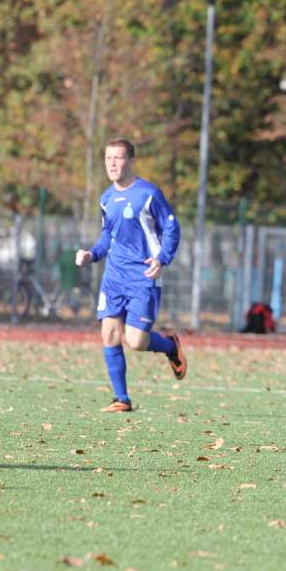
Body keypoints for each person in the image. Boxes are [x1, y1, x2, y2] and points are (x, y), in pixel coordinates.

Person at [76, 138, 188, 412]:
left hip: (143, 276)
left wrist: (162, 259)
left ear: (131, 160)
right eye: (108, 158)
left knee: (136, 341)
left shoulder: (148, 194)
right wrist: (92, 254)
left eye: (118, 158)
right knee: (110, 334)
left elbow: (172, 228)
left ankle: (170, 347)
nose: (112, 164)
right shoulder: (106, 198)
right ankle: (122, 399)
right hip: (114, 276)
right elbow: (108, 237)